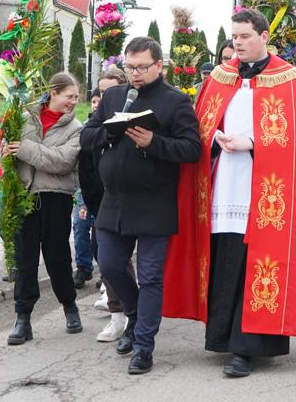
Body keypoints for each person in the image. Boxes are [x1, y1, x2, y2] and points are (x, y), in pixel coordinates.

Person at [162, 9, 296, 378]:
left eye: (245, 36)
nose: (237, 43)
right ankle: (222, 338)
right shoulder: (220, 77)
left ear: (264, 35)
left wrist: (253, 142)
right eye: (234, 36)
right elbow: (199, 128)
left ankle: (248, 348)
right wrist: (214, 139)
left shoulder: (290, 80)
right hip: (222, 186)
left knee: (258, 263)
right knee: (225, 258)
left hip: (268, 191)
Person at [82, 37, 202, 375]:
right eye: (130, 67)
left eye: (141, 67)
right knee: (108, 264)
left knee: (150, 278)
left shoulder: (176, 102)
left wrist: (154, 142)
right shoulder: (114, 96)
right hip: (114, 201)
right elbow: (86, 136)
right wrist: (109, 133)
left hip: (154, 203)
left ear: (159, 65)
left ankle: (144, 346)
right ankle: (134, 317)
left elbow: (192, 149)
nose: (135, 74)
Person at [0, 72, 84, 346]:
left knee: (58, 258)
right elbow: (5, 152)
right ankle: (22, 319)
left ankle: (70, 306)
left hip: (55, 200)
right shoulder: (23, 119)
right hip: (24, 198)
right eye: (70, 96)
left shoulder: (77, 129)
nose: (74, 101)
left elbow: (61, 162)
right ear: (53, 93)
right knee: (24, 261)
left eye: (76, 97)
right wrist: (5, 150)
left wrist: (23, 149)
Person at [81, 69, 140, 342]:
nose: (104, 98)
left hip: (133, 201)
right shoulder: (94, 127)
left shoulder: (133, 122)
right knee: (105, 258)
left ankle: (133, 314)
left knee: (125, 261)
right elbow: (87, 169)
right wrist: (92, 205)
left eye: (110, 92)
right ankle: (119, 316)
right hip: (103, 204)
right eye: (100, 93)